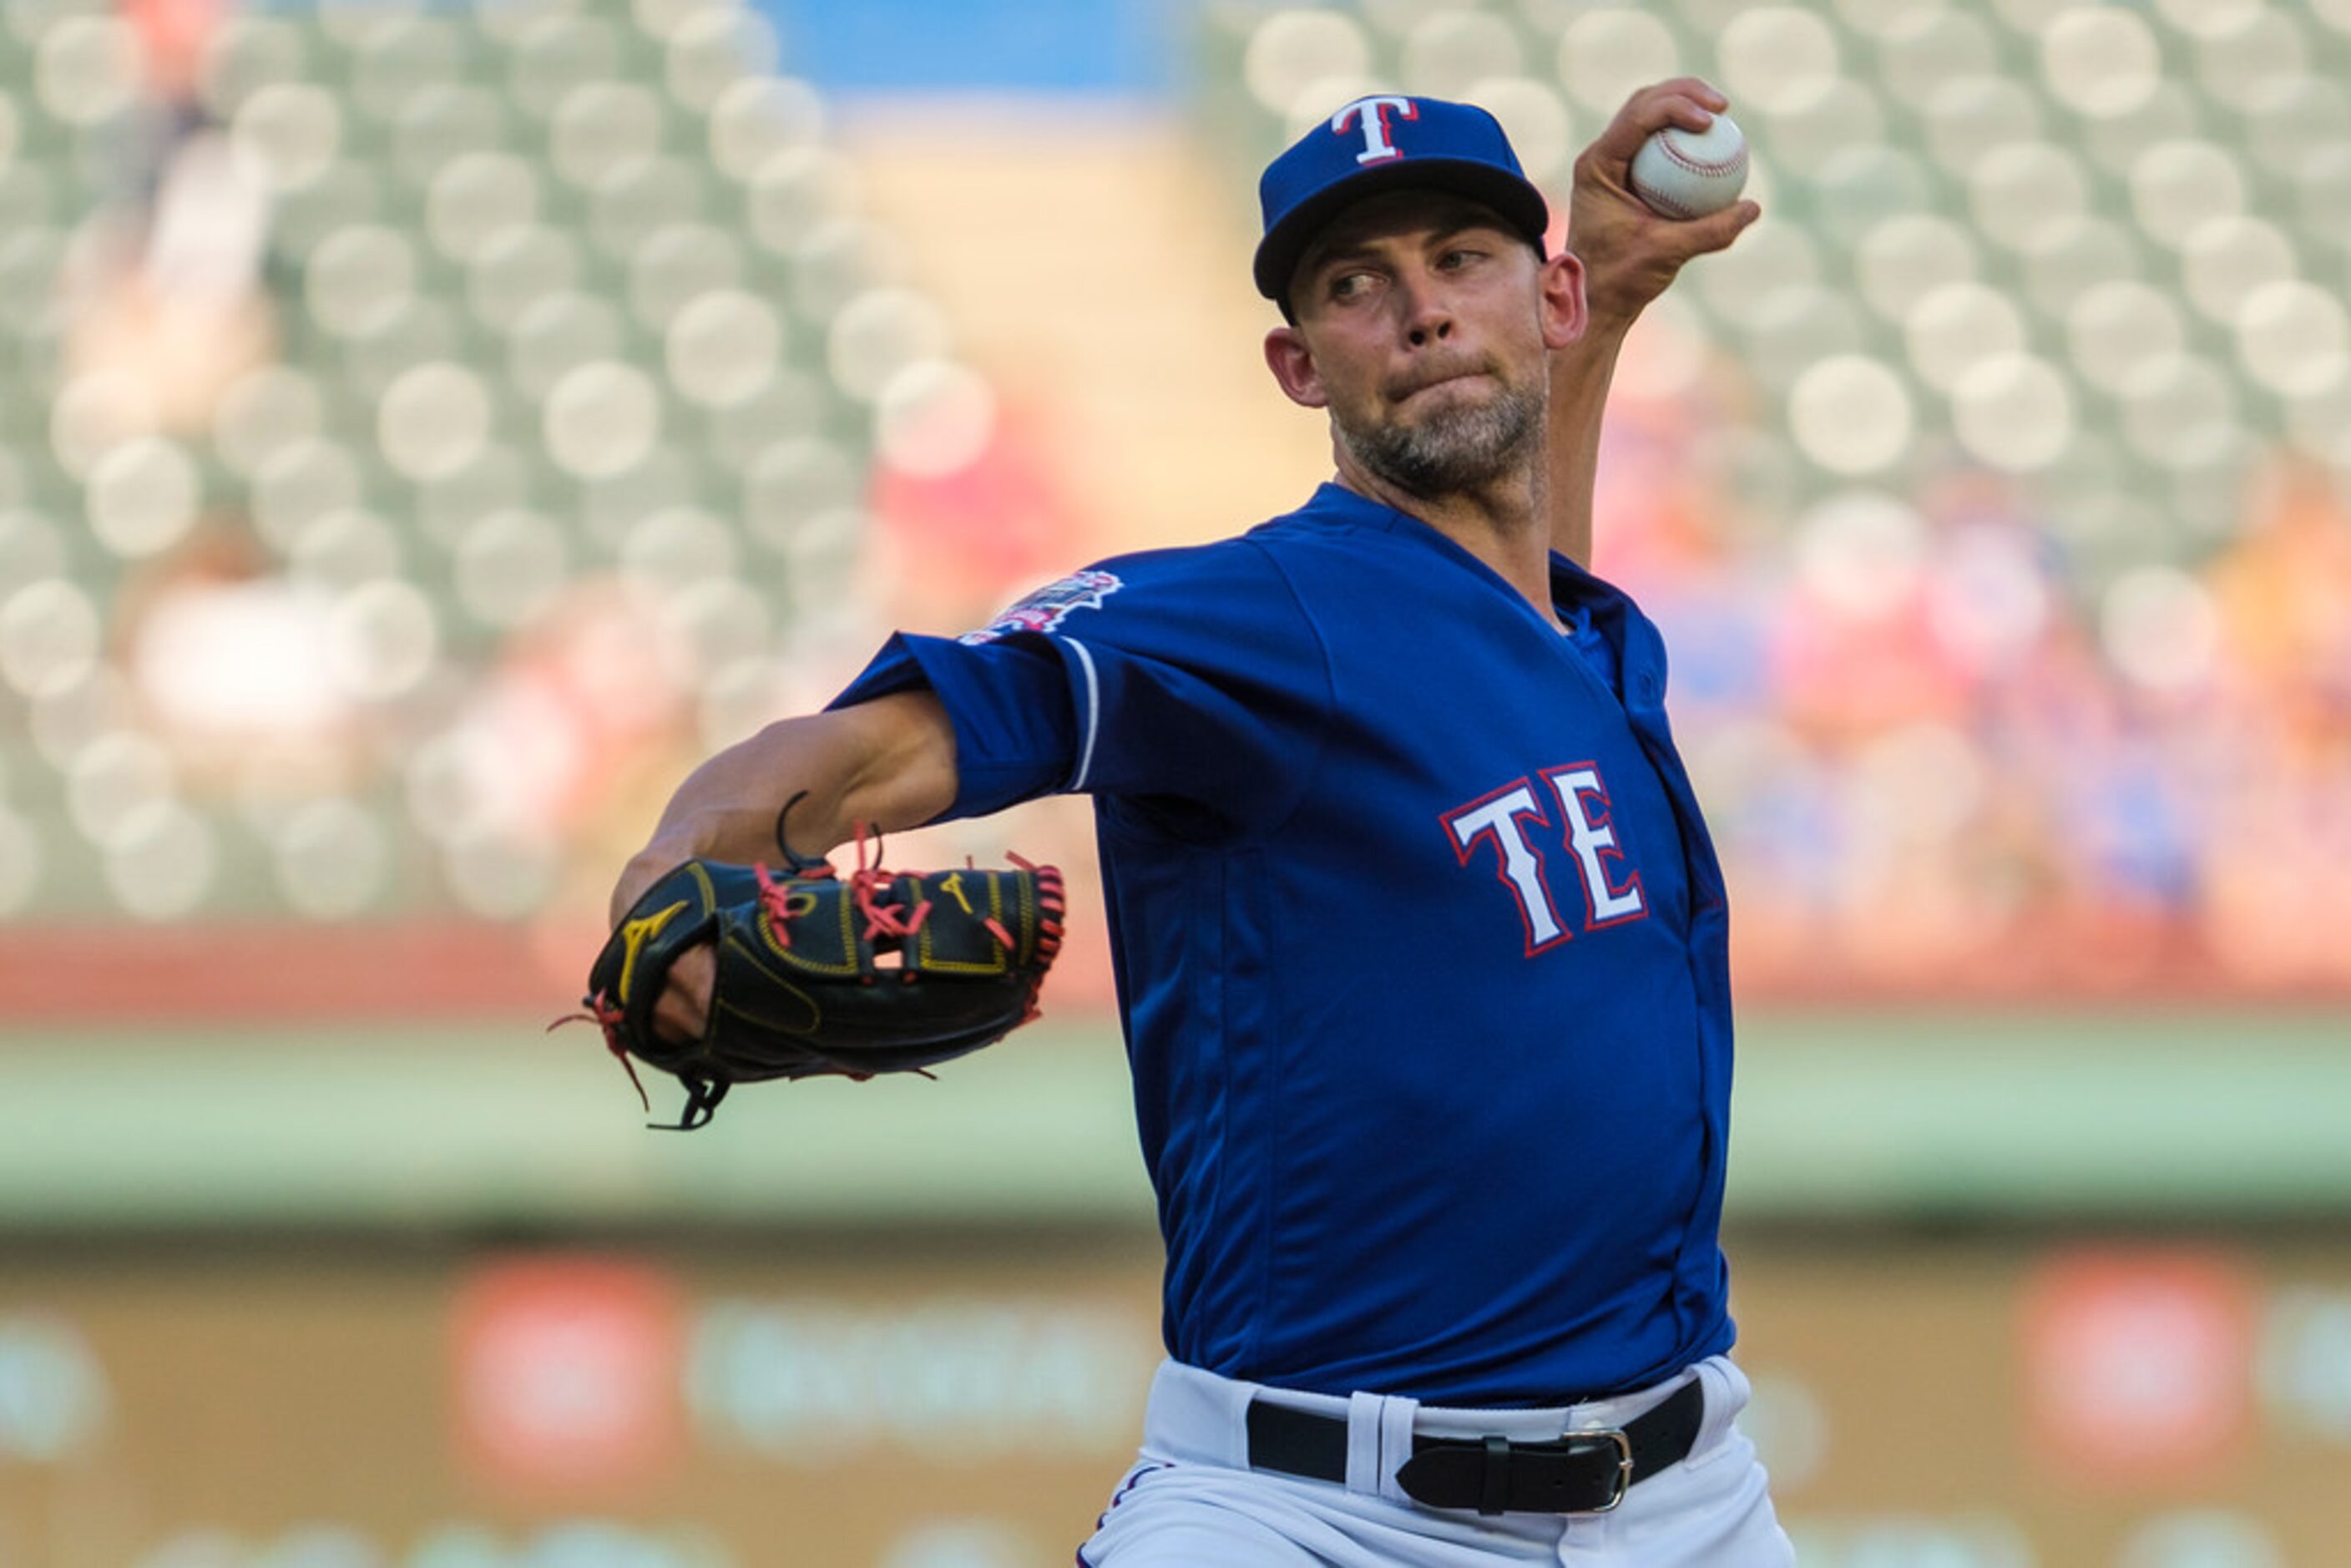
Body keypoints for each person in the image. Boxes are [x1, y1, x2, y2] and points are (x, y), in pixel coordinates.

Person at [609, 82, 1782, 1566]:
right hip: (1316, 1512)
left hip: (1688, 1500)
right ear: (1298, 365)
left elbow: (1499, 615)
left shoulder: (1572, 632)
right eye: (1357, 285)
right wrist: (669, 872)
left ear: (1542, 288)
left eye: (1462, 261)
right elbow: (872, 752)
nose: (1420, 313)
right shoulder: (1252, 622)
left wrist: (1603, 313)